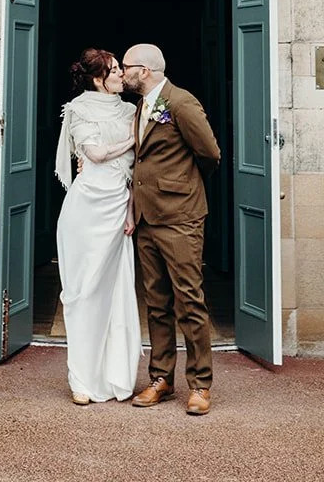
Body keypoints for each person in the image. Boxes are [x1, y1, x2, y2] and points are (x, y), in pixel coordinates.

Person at [122, 41, 221, 416]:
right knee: (157, 303)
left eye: (127, 65)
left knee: (189, 300)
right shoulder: (141, 106)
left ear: (144, 71)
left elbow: (210, 154)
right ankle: (161, 378)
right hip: (147, 218)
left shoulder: (181, 102)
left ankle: (200, 384)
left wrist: (183, 186)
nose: (122, 71)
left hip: (180, 217)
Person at [54, 48, 141, 404]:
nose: (122, 74)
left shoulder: (133, 111)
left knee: (116, 292)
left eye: (121, 68)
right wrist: (134, 139)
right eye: (115, 69)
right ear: (97, 78)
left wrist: (131, 212)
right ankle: (81, 381)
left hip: (118, 204)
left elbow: (136, 172)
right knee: (83, 292)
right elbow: (95, 154)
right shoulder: (79, 109)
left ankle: (115, 375)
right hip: (87, 207)